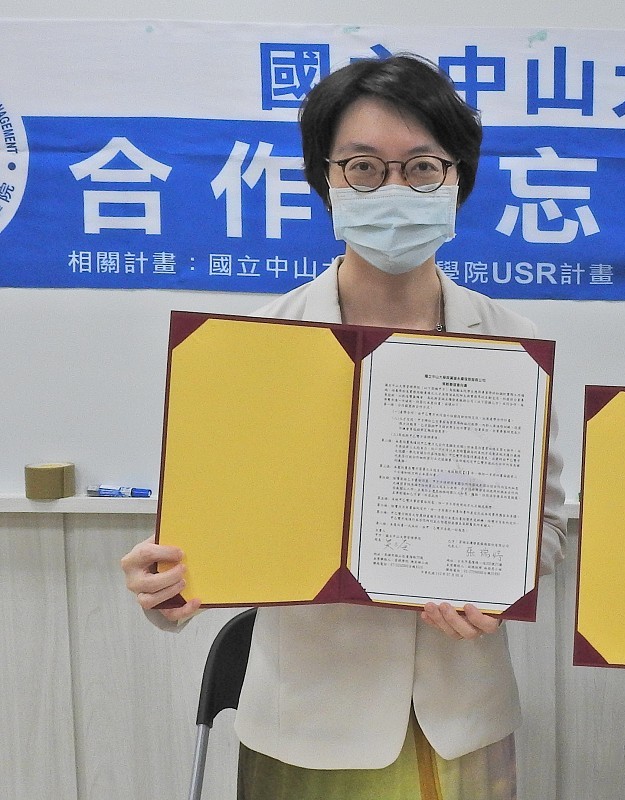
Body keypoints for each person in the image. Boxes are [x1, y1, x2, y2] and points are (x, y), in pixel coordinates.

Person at [120, 53, 567, 800]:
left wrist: (508, 581)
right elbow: (210, 536)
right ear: (326, 180)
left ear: (458, 181)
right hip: (305, 729)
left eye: (422, 167)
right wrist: (167, 585)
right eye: (363, 168)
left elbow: (546, 525)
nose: (393, 190)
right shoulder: (249, 347)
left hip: (464, 727)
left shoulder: (509, 347)